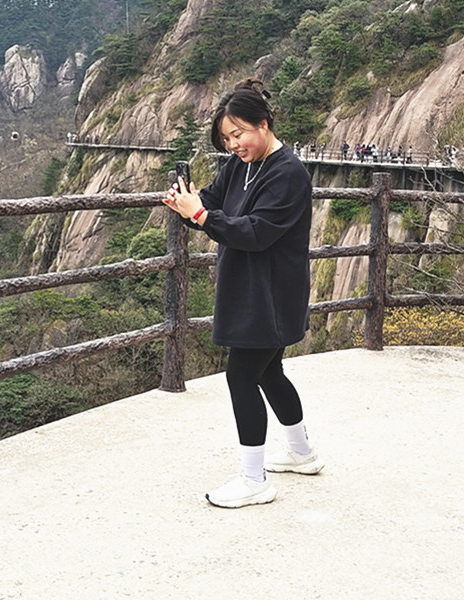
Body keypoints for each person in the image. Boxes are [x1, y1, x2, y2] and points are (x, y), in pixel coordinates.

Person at [162, 79, 324, 509]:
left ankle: (254, 480)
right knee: (269, 373)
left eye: (239, 134)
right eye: (227, 138)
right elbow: (211, 203)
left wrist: (200, 214)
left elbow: (255, 232)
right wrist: (188, 205)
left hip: (270, 295)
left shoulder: (288, 173)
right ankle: (302, 453)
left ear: (263, 124)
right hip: (250, 288)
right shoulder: (240, 166)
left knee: (241, 376)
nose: (234, 145)